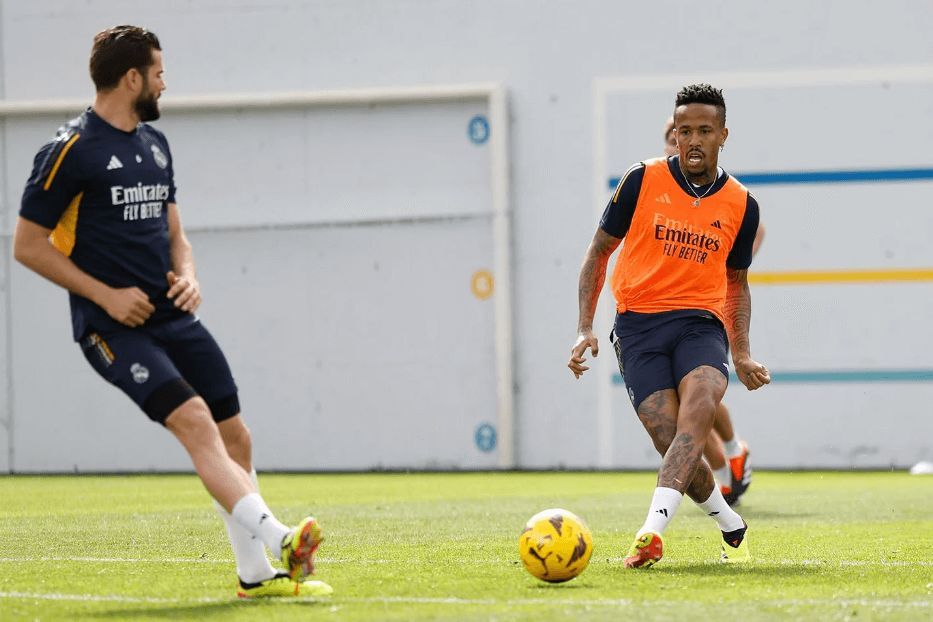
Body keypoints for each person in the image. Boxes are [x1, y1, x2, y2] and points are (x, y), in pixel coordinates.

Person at [13, 25, 332, 598]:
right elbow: (27, 245)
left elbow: (175, 232)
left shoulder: (155, 144)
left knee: (237, 436)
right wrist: (104, 295)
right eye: (159, 72)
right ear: (132, 78)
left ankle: (254, 575)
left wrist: (188, 274)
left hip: (175, 318)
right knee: (195, 424)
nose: (165, 82)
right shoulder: (69, 152)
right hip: (112, 328)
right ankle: (283, 539)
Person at [569, 84, 770, 567]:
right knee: (669, 439)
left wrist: (740, 352)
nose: (693, 140)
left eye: (704, 130)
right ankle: (730, 524)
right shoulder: (641, 180)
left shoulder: (742, 203)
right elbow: (599, 253)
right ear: (673, 134)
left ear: (724, 134)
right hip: (638, 327)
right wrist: (584, 327)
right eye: (684, 131)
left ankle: (650, 532)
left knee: (698, 411)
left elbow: (737, 284)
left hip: (700, 324)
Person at [666, 117, 764, 505]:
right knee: (682, 402)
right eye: (678, 136)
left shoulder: (727, 195)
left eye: (697, 134)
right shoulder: (663, 188)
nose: (684, 144)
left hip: (705, 306)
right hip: (661, 309)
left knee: (694, 395)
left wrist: (728, 270)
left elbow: (753, 233)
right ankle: (729, 462)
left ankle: (731, 454)